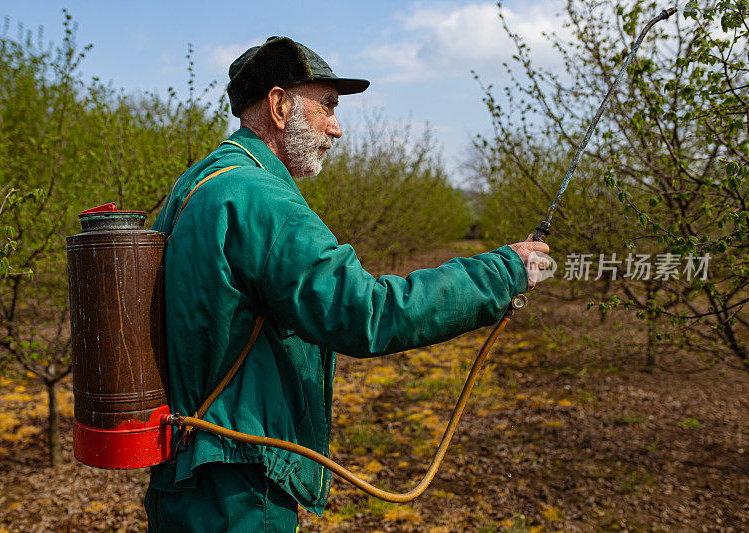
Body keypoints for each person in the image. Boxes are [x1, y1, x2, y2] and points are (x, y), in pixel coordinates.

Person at [144, 36, 549, 532]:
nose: (337, 128)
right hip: (240, 486)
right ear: (278, 105)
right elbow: (366, 313)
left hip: (180, 476)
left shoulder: (195, 184)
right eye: (328, 107)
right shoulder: (261, 199)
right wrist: (502, 272)